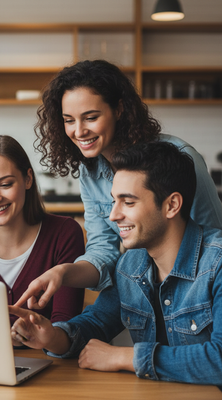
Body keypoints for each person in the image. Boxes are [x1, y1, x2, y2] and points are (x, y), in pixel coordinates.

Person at [16, 59, 222, 310]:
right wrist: (63, 273)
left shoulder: (179, 158)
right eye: (69, 120)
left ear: (119, 109)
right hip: (146, 294)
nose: (78, 131)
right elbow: (103, 249)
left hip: (199, 299)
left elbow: (213, 240)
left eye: (90, 117)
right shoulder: (89, 170)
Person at [9, 141, 222, 385]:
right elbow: (96, 322)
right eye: (114, 201)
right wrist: (51, 337)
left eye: (128, 202)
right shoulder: (131, 265)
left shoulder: (217, 263)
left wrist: (124, 357)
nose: (113, 215)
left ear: (171, 205)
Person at [0, 135, 85, 339]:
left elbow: (65, 327)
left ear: (28, 179)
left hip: (51, 364)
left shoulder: (64, 234)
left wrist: (36, 335)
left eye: (5, 184)